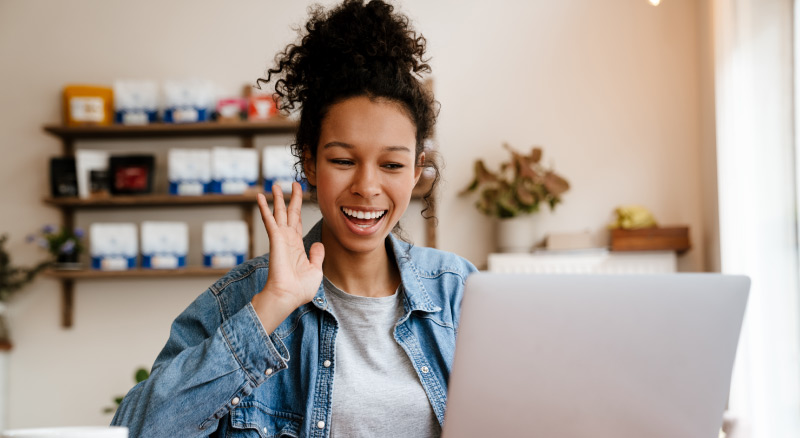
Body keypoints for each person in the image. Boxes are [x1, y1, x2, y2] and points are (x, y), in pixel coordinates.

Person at [112, 1, 477, 437]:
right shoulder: (243, 299)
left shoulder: (459, 293)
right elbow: (135, 430)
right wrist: (273, 305)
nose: (367, 186)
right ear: (310, 164)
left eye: (392, 166)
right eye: (343, 160)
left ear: (417, 171)